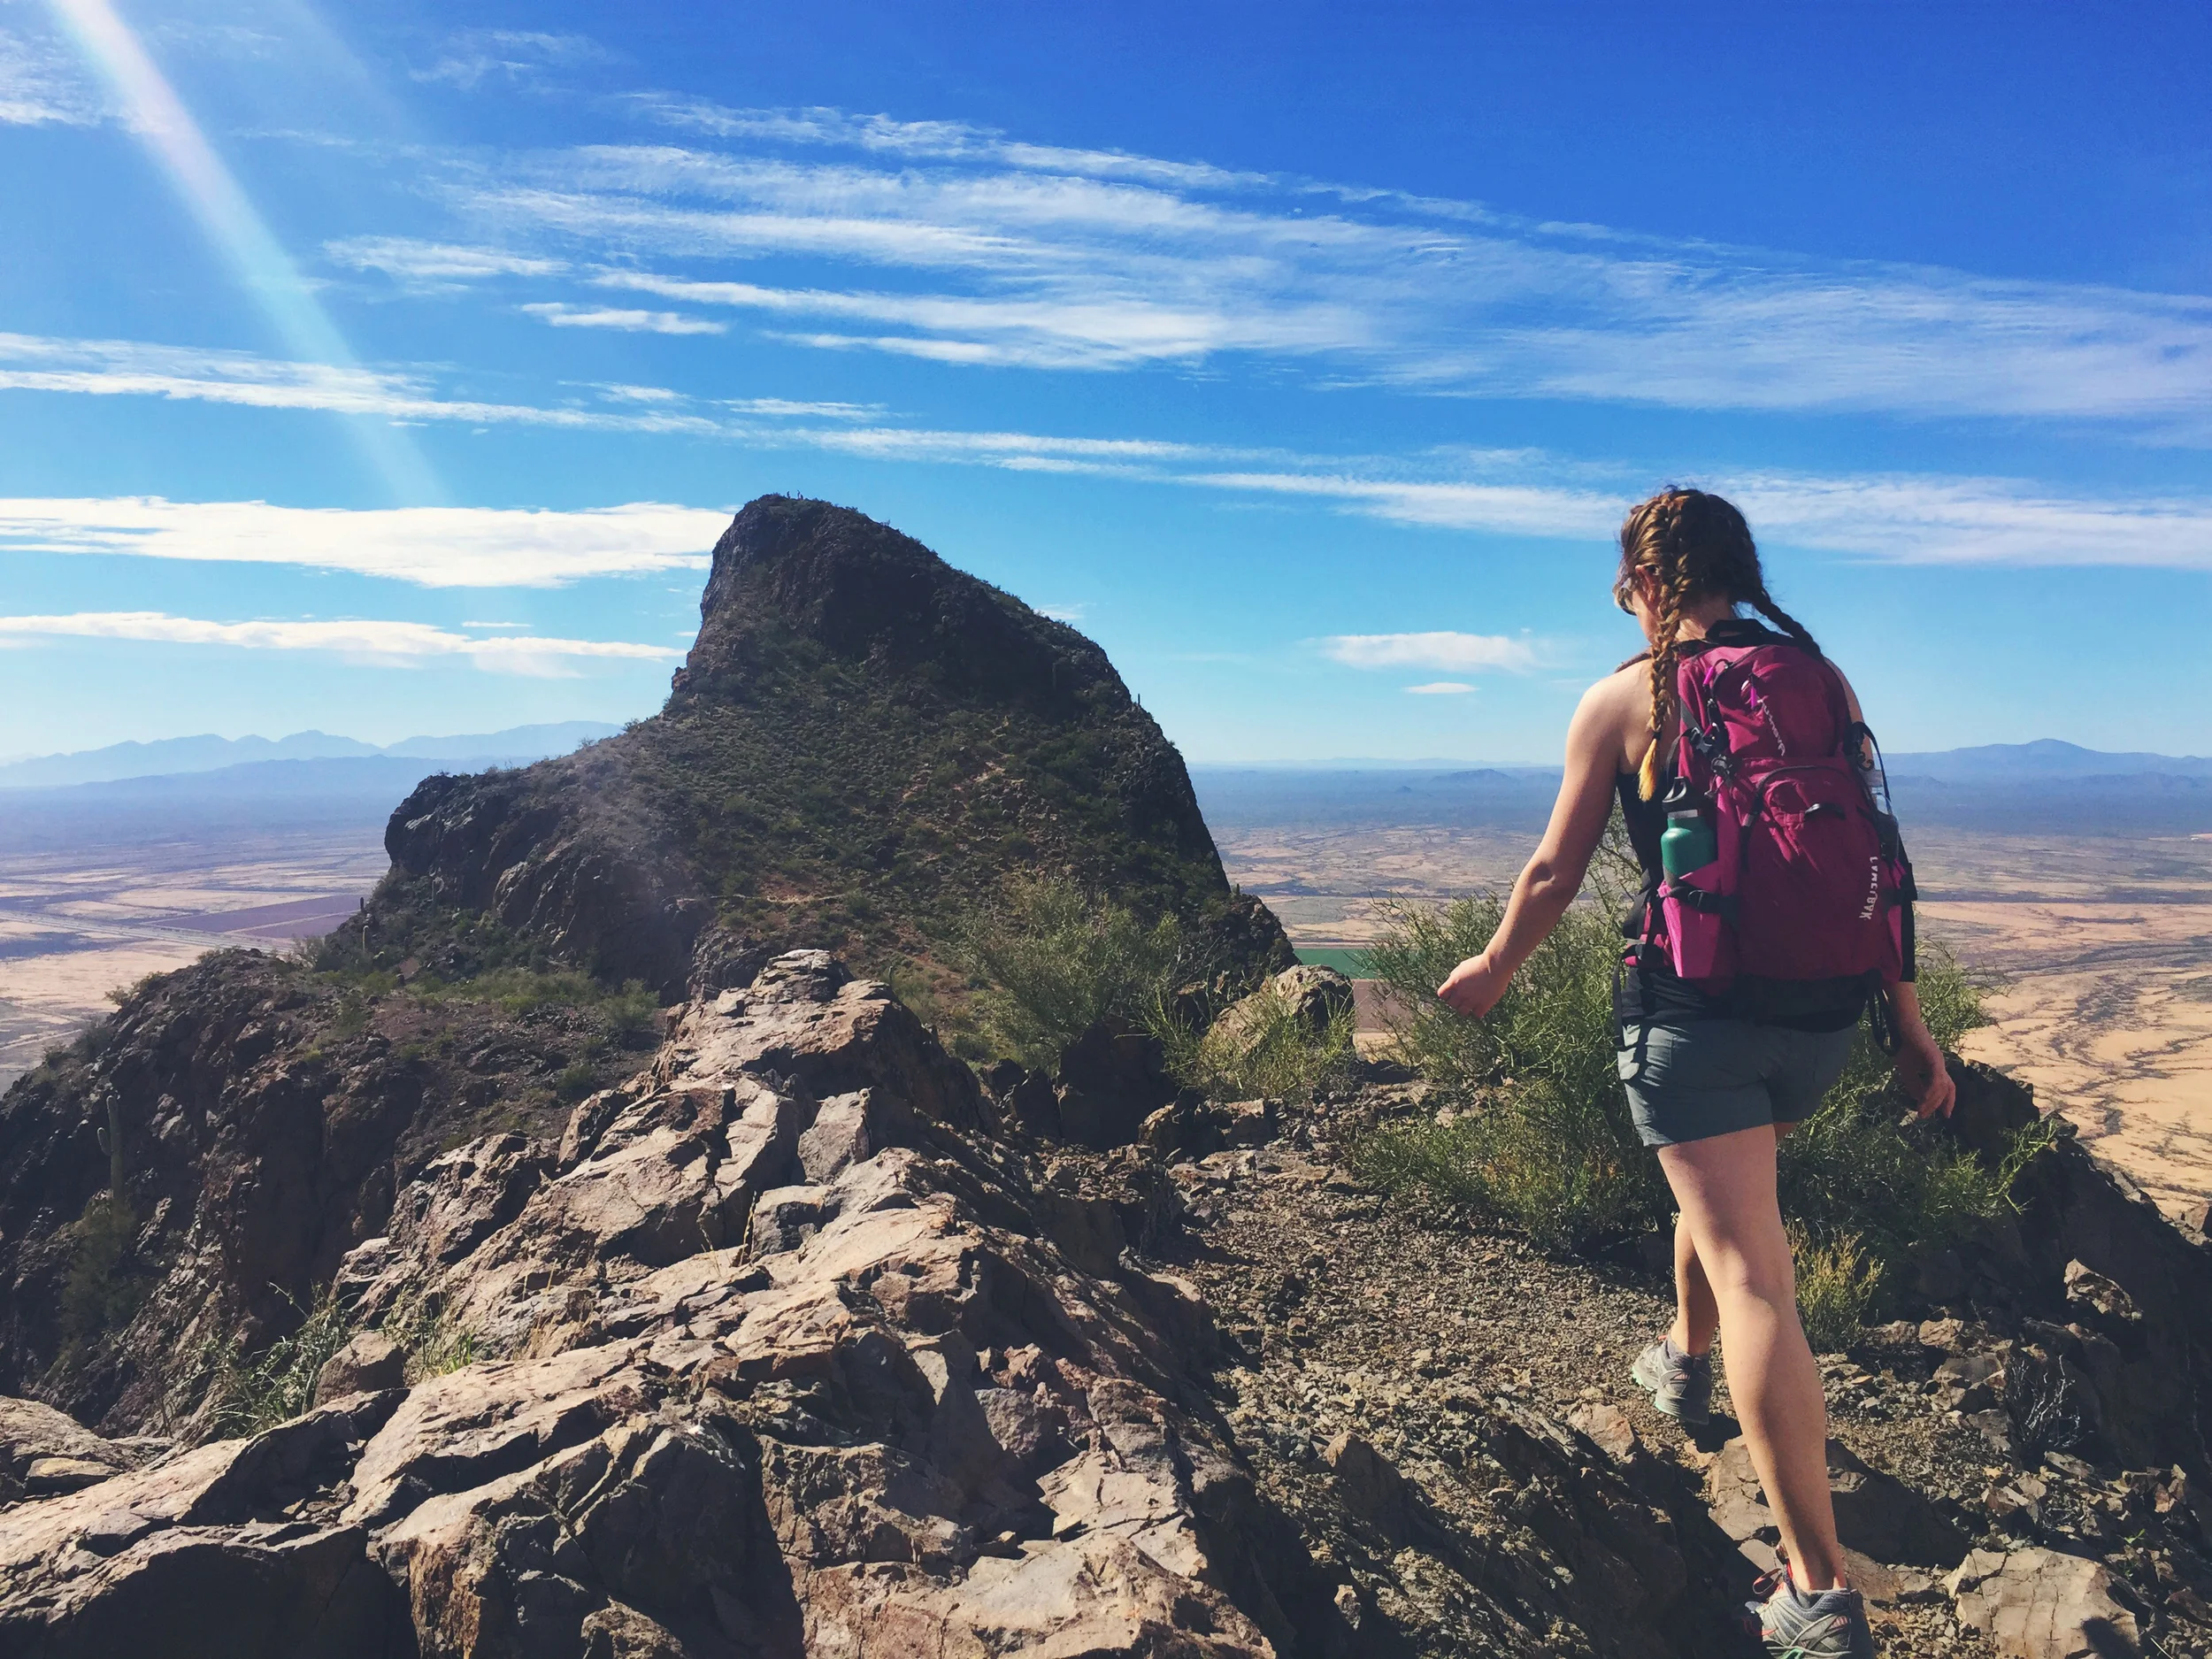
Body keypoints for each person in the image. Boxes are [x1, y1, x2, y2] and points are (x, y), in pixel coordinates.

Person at [1435, 488, 1954, 1659]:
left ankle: (1818, 1591)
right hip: (1822, 1022)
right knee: (1728, 1196)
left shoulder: (1625, 697)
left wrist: (1494, 967)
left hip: (1696, 1018)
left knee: (1757, 1275)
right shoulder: (1822, 680)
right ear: (1741, 568)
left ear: (1645, 581)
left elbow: (1552, 872)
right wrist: (1909, 1025)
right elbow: (1885, 862)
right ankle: (1681, 1358)